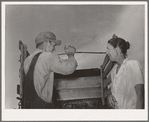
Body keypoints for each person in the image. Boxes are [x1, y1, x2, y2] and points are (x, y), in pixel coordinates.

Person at [24, 31, 78, 108]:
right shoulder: (48, 56)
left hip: (29, 105)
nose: (54, 48)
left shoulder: (27, 60)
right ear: (47, 43)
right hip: (42, 105)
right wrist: (70, 55)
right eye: (53, 45)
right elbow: (69, 68)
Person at [106, 35, 144, 109]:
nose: (107, 52)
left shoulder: (132, 65)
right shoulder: (114, 71)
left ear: (117, 50)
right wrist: (109, 97)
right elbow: (115, 93)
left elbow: (140, 95)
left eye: (108, 49)